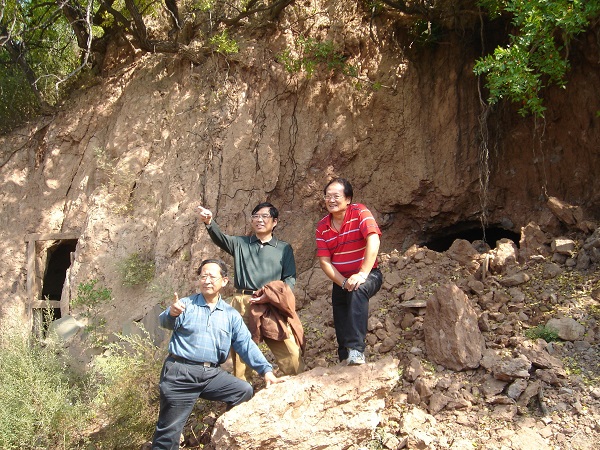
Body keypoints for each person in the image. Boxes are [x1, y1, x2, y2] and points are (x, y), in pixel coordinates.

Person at [151, 259, 285, 450]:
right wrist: (172, 313)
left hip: (210, 374)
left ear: (224, 281)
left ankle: (225, 435)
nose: (207, 280)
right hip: (181, 372)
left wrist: (266, 371)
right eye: (203, 276)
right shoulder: (185, 305)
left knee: (242, 391)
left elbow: (245, 344)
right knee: (168, 433)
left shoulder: (230, 314)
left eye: (212, 276)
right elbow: (164, 322)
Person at [197, 202, 305, 381]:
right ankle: (242, 397)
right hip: (242, 302)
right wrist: (209, 222)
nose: (259, 220)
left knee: (290, 353)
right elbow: (221, 238)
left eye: (264, 216)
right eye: (256, 216)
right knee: (241, 355)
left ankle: (296, 386)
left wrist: (277, 296)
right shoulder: (241, 243)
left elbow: (290, 278)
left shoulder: (283, 248)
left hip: (271, 303)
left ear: (275, 221)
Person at [315, 178, 383, 365]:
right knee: (341, 313)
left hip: (369, 274)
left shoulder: (360, 212)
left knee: (358, 289)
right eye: (327, 196)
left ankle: (356, 350)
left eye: (336, 196)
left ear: (348, 199)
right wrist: (343, 282)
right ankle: (345, 356)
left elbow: (373, 240)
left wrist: (362, 274)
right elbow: (324, 261)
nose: (331, 200)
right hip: (341, 280)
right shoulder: (322, 226)